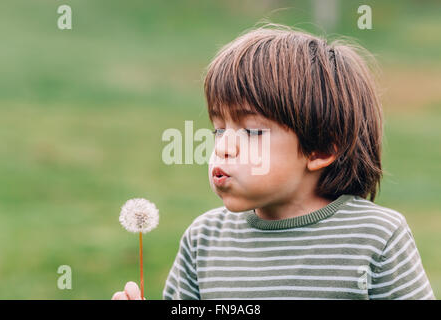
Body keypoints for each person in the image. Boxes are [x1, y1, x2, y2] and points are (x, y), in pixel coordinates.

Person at [112, 24, 435, 300]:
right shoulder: (204, 239)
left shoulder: (375, 235)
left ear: (319, 150)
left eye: (251, 131)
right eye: (219, 129)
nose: (223, 147)